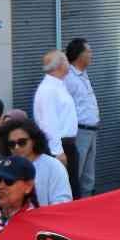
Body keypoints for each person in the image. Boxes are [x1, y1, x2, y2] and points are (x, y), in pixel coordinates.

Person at [0, 118, 72, 209]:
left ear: (34, 140)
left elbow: (62, 205)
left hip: (42, 221)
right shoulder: (1, 166)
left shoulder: (54, 166)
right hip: (7, 222)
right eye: (12, 144)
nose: (16, 147)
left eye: (22, 142)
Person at [32, 51, 81, 196]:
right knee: (65, 189)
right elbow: (49, 123)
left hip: (67, 144)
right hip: (60, 147)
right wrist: (58, 152)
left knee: (72, 185)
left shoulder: (58, 85)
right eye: (66, 60)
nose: (69, 63)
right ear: (59, 65)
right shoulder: (48, 89)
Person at [63, 38, 101, 197]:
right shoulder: (68, 78)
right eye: (88, 51)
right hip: (79, 132)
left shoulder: (83, 74)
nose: (91, 54)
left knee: (88, 177)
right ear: (79, 55)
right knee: (75, 175)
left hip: (91, 131)